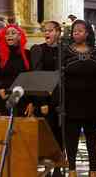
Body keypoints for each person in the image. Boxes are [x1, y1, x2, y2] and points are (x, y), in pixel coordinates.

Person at [63, 20, 96, 177]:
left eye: (80, 30)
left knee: (92, 138)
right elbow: (59, 78)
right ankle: (72, 169)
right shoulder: (65, 51)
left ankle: (93, 170)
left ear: (88, 33)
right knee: (71, 138)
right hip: (70, 103)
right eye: (74, 30)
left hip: (93, 103)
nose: (76, 32)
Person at [30, 21, 63, 177]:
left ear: (58, 32)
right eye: (45, 30)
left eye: (50, 30)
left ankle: (58, 166)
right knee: (46, 135)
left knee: (60, 134)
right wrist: (42, 101)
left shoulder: (64, 50)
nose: (47, 33)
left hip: (61, 100)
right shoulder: (39, 50)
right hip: (45, 100)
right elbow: (37, 76)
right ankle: (47, 168)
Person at [0, 24, 34, 116]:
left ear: (19, 36)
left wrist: (31, 102)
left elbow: (30, 79)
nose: (9, 35)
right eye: (7, 33)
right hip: (1, 97)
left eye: (13, 33)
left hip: (21, 98)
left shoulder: (27, 54)